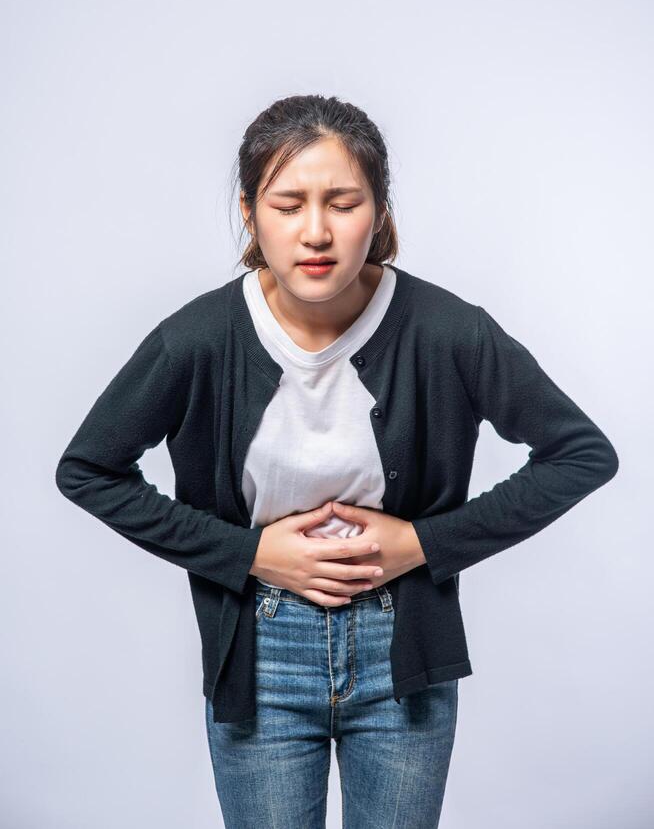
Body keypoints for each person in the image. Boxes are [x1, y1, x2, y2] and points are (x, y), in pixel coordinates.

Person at [55, 94, 619, 829]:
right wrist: (250, 554)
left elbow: (580, 454)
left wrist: (421, 544)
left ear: (379, 212)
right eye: (288, 204)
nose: (316, 231)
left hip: (403, 653)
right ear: (251, 213)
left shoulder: (449, 333)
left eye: (343, 202)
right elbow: (88, 469)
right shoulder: (195, 341)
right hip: (258, 654)